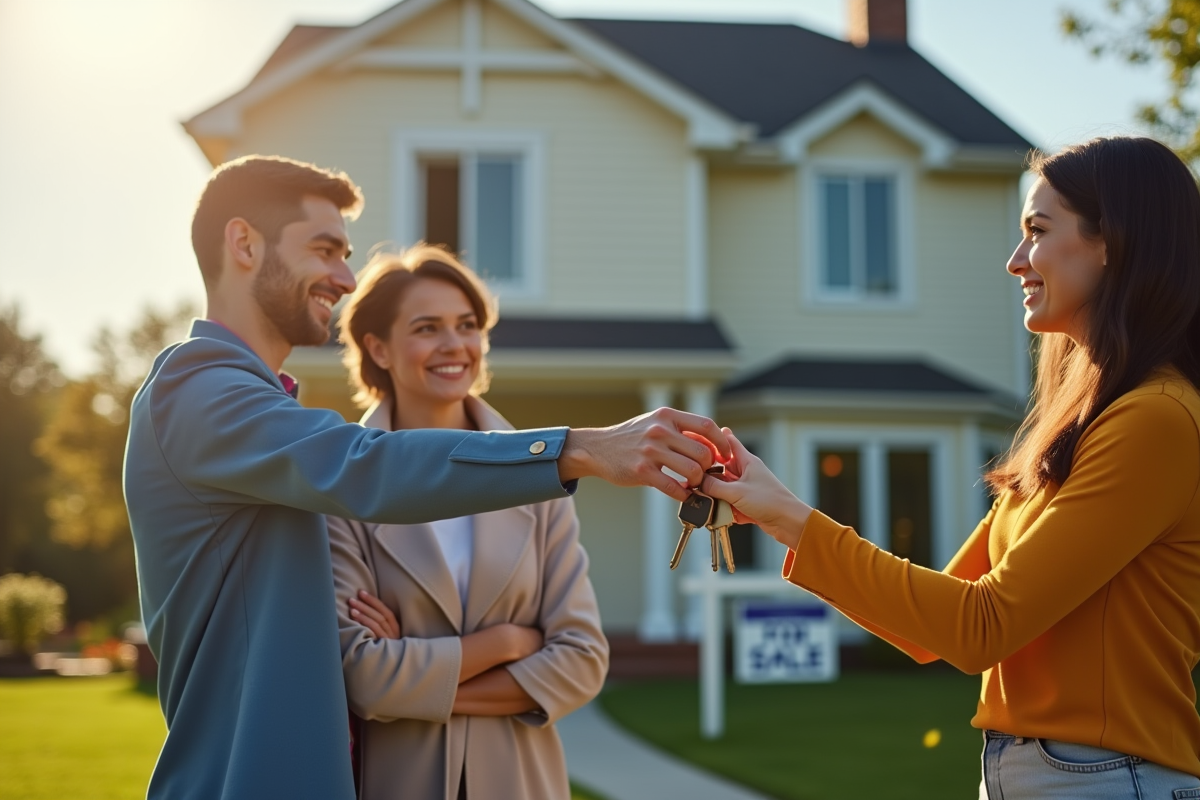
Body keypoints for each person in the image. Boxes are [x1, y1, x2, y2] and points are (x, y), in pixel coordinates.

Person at [124, 155, 728, 800]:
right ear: (243, 243)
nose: (346, 277)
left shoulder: (267, 413)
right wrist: (579, 449)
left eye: (345, 254)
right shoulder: (197, 390)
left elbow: (579, 658)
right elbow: (368, 464)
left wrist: (419, 667)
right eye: (325, 250)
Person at [700, 137, 1200, 798]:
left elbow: (979, 628)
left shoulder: (1155, 421)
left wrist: (792, 516)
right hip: (1042, 775)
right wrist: (778, 514)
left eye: (1037, 231)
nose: (1014, 260)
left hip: (1104, 779)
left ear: (1113, 241)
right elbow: (931, 630)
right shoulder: (1085, 426)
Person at [326, 247, 607, 800]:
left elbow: (583, 660)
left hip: (523, 783)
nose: (455, 345)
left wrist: (415, 674)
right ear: (378, 348)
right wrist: (509, 641)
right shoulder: (341, 487)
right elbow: (362, 675)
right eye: (428, 328)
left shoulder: (540, 479)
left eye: (468, 326)